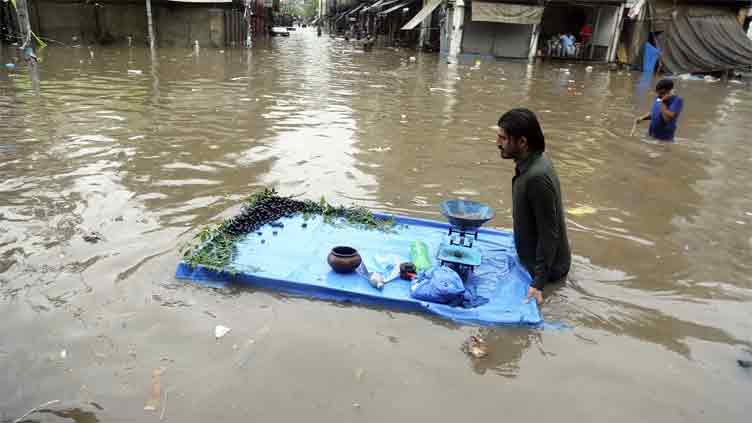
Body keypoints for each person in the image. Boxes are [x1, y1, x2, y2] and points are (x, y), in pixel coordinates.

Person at [495, 109, 571, 305]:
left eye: (503, 138)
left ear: (522, 142)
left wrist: (538, 283)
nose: (497, 143)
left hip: (547, 271)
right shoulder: (533, 163)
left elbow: (549, 232)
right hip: (535, 260)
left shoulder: (537, 177)